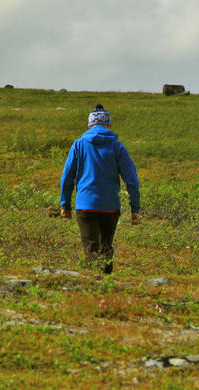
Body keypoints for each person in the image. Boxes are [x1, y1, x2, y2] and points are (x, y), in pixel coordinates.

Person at [60, 104, 141, 274]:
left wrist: (65, 205)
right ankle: (107, 284)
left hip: (85, 205)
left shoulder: (79, 145)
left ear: (89, 125)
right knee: (106, 246)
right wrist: (135, 209)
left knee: (91, 247)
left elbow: (67, 177)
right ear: (109, 125)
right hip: (110, 206)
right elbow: (131, 179)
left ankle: (95, 285)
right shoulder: (117, 146)